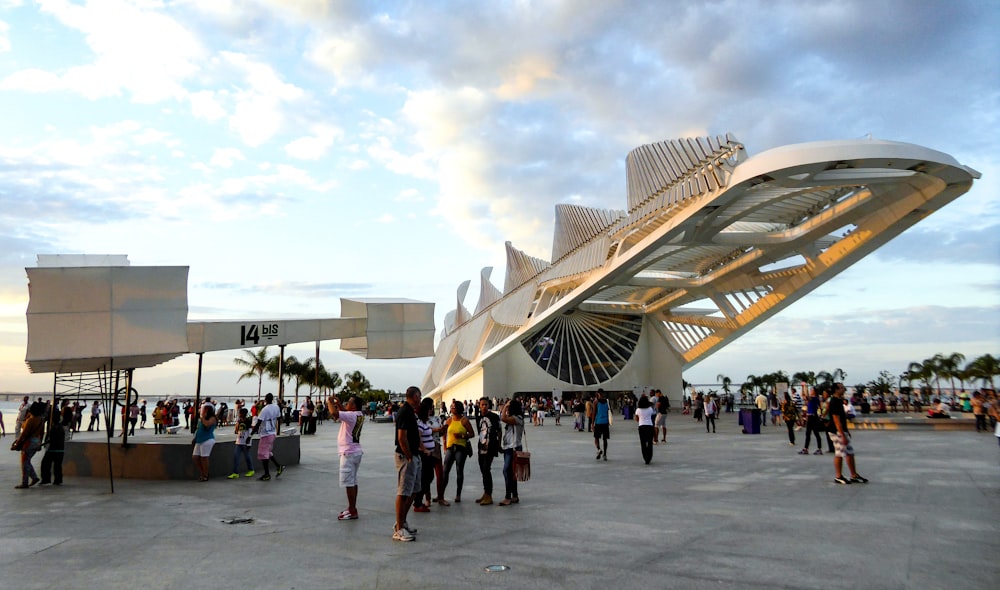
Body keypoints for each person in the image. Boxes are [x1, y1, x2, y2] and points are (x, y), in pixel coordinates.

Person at [328, 395, 365, 520]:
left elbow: (334, 413)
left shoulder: (351, 416)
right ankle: (352, 507)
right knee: (353, 481)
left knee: (349, 483)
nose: (346, 404)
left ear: (353, 406)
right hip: (355, 451)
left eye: (349, 402)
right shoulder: (358, 414)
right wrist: (339, 404)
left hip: (348, 453)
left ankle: (352, 509)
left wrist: (329, 402)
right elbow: (345, 411)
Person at [393, 386, 422, 542]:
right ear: (414, 396)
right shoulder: (405, 412)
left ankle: (402, 522)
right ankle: (399, 528)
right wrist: (409, 455)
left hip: (413, 455)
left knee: (414, 490)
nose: (420, 399)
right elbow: (401, 437)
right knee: (403, 492)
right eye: (420, 396)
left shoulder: (411, 412)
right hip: (406, 457)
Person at [827, 383, 868, 485]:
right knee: (839, 453)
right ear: (836, 390)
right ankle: (838, 476)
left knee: (849, 452)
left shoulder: (839, 400)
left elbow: (841, 418)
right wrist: (842, 434)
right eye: (841, 387)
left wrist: (846, 431)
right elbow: (836, 420)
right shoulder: (834, 401)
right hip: (836, 431)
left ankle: (853, 475)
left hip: (841, 430)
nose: (844, 389)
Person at [441, 400, 473, 504]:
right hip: (450, 448)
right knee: (445, 471)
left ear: (458, 409)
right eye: (451, 407)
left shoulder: (464, 421)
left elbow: (472, 434)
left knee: (459, 470)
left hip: (461, 448)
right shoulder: (449, 420)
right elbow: (444, 432)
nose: (451, 408)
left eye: (453, 407)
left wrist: (462, 436)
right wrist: (445, 445)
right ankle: (441, 494)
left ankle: (458, 494)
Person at [413, 398, 440, 513]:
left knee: (428, 477)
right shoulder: (419, 423)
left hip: (429, 453)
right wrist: (424, 449)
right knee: (426, 478)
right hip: (425, 454)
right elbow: (417, 438)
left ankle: (419, 500)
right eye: (428, 410)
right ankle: (418, 502)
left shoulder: (424, 422)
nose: (430, 412)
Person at [12, 402, 45, 488]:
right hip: (37, 441)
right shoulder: (41, 420)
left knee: (24, 463)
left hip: (29, 443)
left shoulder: (30, 420)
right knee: (27, 461)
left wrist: (17, 443)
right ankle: (34, 478)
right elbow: (42, 433)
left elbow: (24, 434)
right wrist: (40, 443)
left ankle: (25, 482)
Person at [252, 393, 284, 481]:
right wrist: (277, 431)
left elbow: (258, 423)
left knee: (262, 453)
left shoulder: (265, 410)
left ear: (265, 399)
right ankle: (279, 466)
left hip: (266, 434)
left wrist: (251, 434)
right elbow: (279, 418)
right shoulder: (276, 407)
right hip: (272, 433)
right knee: (268, 452)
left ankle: (267, 474)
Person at [498, 398, 524, 505]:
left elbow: (502, 418)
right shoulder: (515, 418)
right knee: (511, 472)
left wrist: (505, 406)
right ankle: (515, 495)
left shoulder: (517, 418)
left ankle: (508, 496)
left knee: (507, 471)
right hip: (509, 447)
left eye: (509, 408)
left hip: (513, 448)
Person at [476, 397, 501, 505]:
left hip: (491, 446)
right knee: (483, 470)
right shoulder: (478, 417)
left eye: (486, 404)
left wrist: (499, 445)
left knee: (486, 469)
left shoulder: (494, 416)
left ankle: (489, 495)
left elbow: (499, 431)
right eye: (482, 405)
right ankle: (486, 493)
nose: (484, 406)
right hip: (482, 446)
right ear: (479, 406)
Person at [39, 407, 71, 486]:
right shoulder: (64, 426)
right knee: (57, 465)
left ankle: (46, 479)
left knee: (45, 464)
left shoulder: (56, 427)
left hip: (52, 449)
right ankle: (58, 479)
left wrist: (42, 444)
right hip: (60, 449)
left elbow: (52, 439)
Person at [192, 404, 217, 482]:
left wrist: (203, 417)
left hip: (207, 439)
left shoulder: (212, 418)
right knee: (195, 457)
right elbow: (199, 429)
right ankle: (202, 472)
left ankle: (205, 475)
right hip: (199, 439)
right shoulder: (201, 418)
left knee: (204, 457)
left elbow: (207, 425)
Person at [227, 407, 255, 479]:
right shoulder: (239, 421)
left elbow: (250, 432)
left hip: (245, 442)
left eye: (240, 413)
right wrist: (237, 424)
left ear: (243, 414)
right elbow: (236, 431)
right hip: (239, 441)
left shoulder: (248, 421)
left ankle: (251, 470)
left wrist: (249, 442)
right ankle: (235, 473)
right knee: (236, 457)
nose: (239, 414)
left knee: (247, 457)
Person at [799, 389, 824, 455]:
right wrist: (803, 388)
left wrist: (804, 388)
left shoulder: (815, 398)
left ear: (815, 392)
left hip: (813, 417)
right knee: (808, 433)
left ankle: (819, 449)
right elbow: (804, 396)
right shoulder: (812, 398)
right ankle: (806, 448)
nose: (810, 391)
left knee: (816, 433)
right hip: (810, 417)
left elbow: (806, 397)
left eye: (811, 390)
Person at [634, 395, 656, 464]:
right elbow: (652, 415)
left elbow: (637, 419)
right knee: (650, 443)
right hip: (649, 426)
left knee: (643, 443)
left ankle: (645, 458)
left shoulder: (638, 410)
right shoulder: (650, 409)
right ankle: (649, 457)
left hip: (642, 427)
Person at [593, 389, 611, 461]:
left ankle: (599, 449)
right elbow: (609, 411)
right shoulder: (607, 401)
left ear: (598, 394)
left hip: (598, 422)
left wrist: (592, 423)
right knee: (605, 439)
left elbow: (594, 413)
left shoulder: (596, 402)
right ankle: (605, 455)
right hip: (605, 422)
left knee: (596, 438)